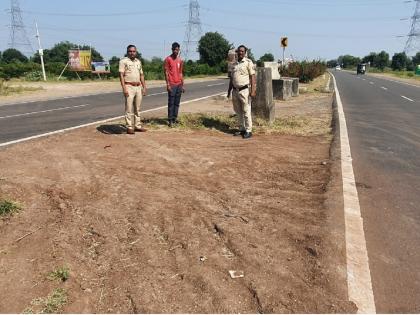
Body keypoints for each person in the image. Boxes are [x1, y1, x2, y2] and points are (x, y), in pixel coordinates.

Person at [228, 45, 256, 139]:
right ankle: (242, 128)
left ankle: (248, 130)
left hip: (244, 90)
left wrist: (253, 91)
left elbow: (252, 77)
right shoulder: (234, 64)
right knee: (238, 111)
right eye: (239, 51)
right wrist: (229, 91)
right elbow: (232, 79)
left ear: (245, 52)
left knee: (246, 110)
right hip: (235, 91)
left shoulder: (248, 62)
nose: (240, 53)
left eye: (242, 51)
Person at [119, 44, 147, 134]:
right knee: (129, 108)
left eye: (133, 51)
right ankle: (129, 127)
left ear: (136, 52)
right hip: (129, 86)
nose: (132, 53)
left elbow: (141, 75)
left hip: (138, 86)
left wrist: (144, 87)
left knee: (137, 108)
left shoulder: (138, 62)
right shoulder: (123, 61)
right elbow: (121, 75)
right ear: (127, 52)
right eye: (130, 51)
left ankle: (137, 126)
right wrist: (124, 88)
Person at [164, 42, 185, 127]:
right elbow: (166, 72)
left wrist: (182, 84)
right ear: (172, 49)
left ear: (179, 50)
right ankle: (170, 120)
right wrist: (168, 84)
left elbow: (180, 73)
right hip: (172, 84)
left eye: (177, 49)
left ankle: (175, 118)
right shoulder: (168, 59)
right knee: (171, 103)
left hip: (179, 84)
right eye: (175, 49)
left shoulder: (180, 60)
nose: (176, 51)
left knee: (177, 103)